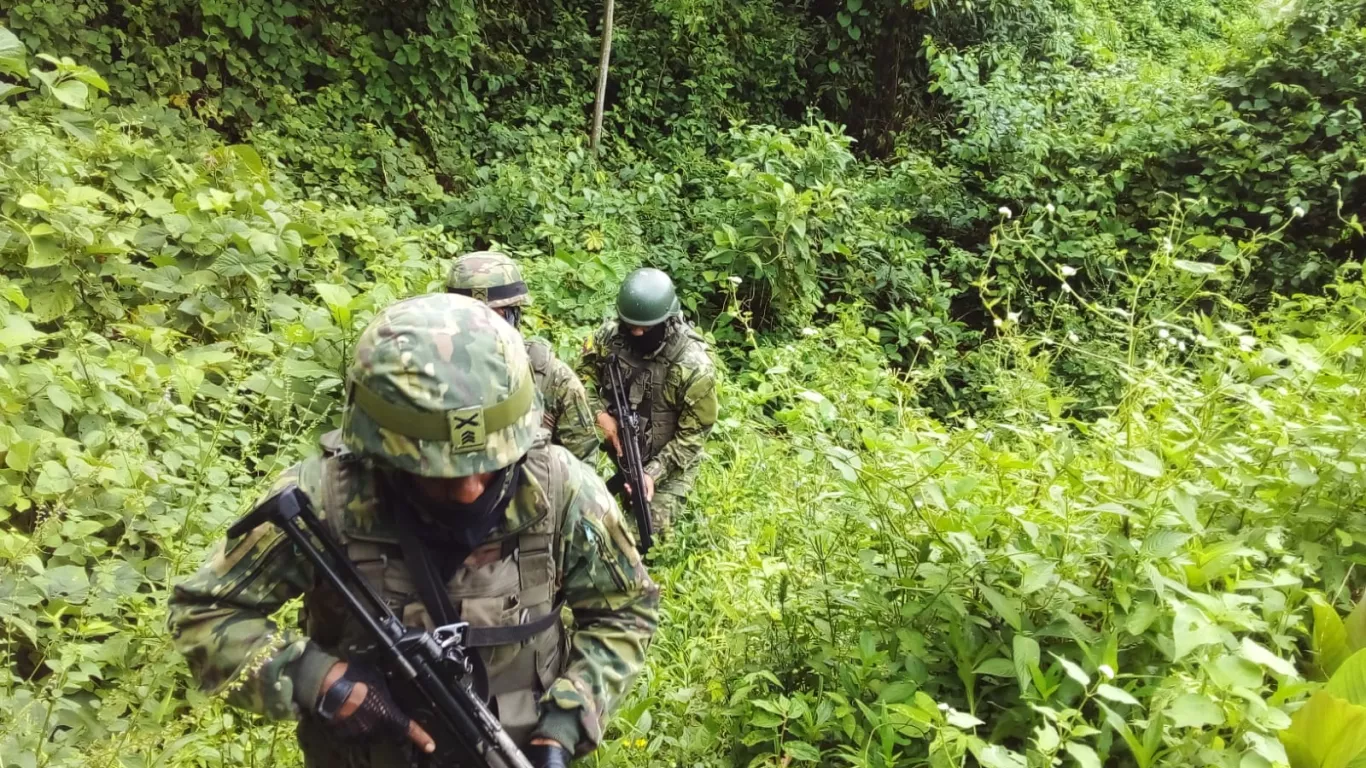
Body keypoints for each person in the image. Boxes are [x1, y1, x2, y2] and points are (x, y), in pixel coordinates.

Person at [167, 294, 659, 768]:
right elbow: (203, 613)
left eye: (488, 465)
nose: (469, 489)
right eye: (438, 469)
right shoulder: (324, 499)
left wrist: (565, 724)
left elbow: (626, 611)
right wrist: (319, 679)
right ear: (379, 448)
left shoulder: (560, 489)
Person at [581, 268, 718, 536]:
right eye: (630, 325)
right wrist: (600, 416)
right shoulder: (608, 338)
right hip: (617, 449)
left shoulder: (693, 366)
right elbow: (578, 382)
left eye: (646, 327)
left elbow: (692, 438)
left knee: (633, 540)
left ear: (667, 319)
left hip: (670, 465)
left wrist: (652, 473)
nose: (636, 333)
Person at [446, 250, 598, 465]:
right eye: (469, 319)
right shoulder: (429, 372)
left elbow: (583, 465)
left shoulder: (551, 378)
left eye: (492, 316)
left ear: (514, 316)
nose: (480, 329)